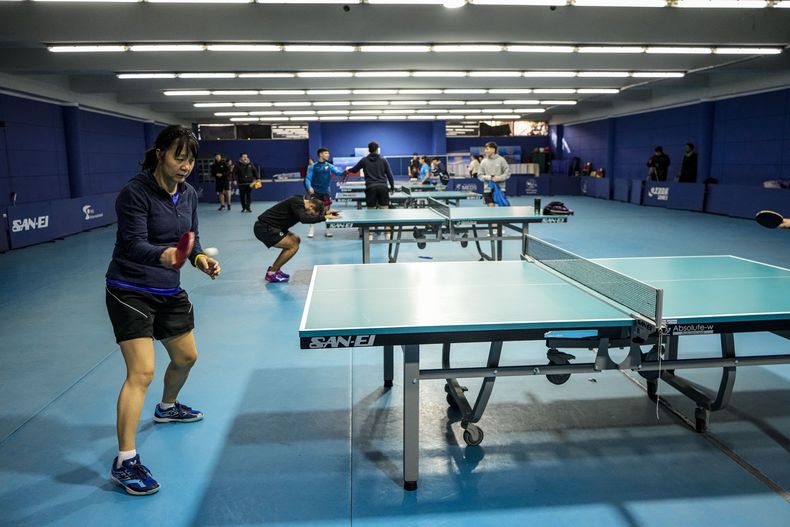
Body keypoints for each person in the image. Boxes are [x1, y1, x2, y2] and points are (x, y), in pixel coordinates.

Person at [105, 125, 221, 496]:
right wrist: (164, 254)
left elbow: (193, 240)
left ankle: (167, 408)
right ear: (160, 154)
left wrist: (200, 258)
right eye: (178, 157)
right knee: (142, 372)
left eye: (190, 159)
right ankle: (125, 460)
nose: (185, 165)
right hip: (130, 289)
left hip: (168, 289)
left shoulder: (188, 194)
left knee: (186, 357)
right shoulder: (135, 194)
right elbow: (132, 242)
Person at [254, 196, 340, 283]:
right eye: (312, 213)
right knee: (293, 246)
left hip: (274, 227)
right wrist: (324, 218)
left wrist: (326, 214)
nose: (311, 215)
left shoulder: (300, 203)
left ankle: (276, 269)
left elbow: (306, 215)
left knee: (296, 239)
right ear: (310, 206)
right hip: (265, 228)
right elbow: (304, 219)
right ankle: (272, 273)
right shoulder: (296, 202)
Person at [305, 147, 345, 238]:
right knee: (313, 211)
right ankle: (311, 230)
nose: (328, 155)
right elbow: (308, 178)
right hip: (315, 192)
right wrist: (309, 187)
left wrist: (346, 171)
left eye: (328, 153)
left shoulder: (329, 166)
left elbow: (338, 173)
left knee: (327, 211)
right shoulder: (313, 166)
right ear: (320, 154)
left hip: (326, 192)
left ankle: (328, 230)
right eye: (326, 153)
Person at [348, 141, 396, 209]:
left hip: (370, 188)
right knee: (384, 210)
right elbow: (390, 175)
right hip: (383, 187)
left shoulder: (364, 160)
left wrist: (347, 171)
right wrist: (392, 187)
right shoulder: (383, 160)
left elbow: (354, 170)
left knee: (371, 211)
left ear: (369, 150)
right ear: (377, 149)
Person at [478, 141, 511, 207]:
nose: (485, 151)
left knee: (502, 210)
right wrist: (489, 177)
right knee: (491, 209)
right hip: (487, 189)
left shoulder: (501, 160)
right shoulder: (483, 161)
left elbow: (508, 173)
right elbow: (479, 175)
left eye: (487, 149)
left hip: (500, 189)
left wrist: (498, 178)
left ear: (493, 150)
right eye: (485, 149)